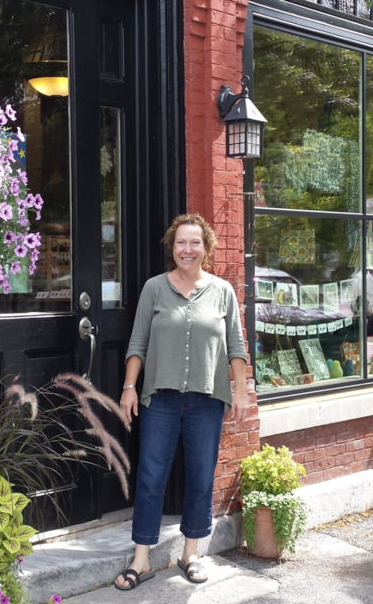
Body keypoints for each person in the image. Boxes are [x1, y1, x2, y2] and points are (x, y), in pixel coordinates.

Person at [113, 213, 249, 591]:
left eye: (195, 243)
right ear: (172, 247)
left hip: (207, 400)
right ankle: (141, 559)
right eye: (180, 243)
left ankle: (191, 554)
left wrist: (240, 390)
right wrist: (129, 387)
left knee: (201, 476)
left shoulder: (222, 291)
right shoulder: (154, 288)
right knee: (150, 476)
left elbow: (235, 345)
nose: (187, 250)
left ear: (206, 248)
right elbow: (138, 341)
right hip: (161, 398)